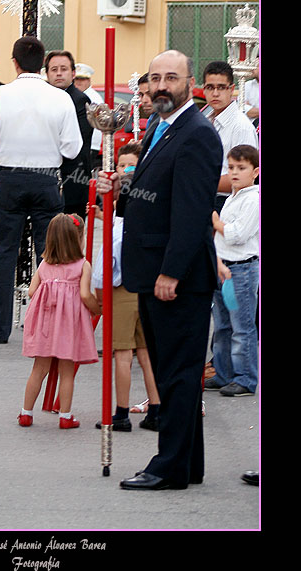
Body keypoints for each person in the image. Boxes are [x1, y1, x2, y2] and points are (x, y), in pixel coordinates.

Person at [98, 49, 223, 491]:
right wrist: (123, 187)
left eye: (171, 77)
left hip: (176, 278)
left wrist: (171, 272)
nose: (161, 85)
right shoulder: (161, 127)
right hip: (155, 270)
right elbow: (160, 194)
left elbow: (191, 212)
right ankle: (188, 463)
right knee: (178, 371)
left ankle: (168, 467)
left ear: (191, 85)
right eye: (154, 78)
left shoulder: (196, 133)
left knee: (177, 373)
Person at [0, 36, 83, 344]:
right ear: (43, 64)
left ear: (13, 63)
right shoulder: (59, 98)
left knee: (4, 254)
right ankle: (47, 326)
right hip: (45, 180)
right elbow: (72, 149)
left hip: (8, 178)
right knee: (50, 254)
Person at [91, 144, 161, 432]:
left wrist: (98, 294)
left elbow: (105, 265)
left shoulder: (118, 226)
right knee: (145, 352)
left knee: (122, 354)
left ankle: (121, 412)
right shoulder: (145, 223)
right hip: (144, 290)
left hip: (121, 291)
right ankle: (156, 408)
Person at [18, 213, 100, 429]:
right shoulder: (83, 265)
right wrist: (96, 308)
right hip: (69, 327)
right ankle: (65, 416)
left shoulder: (45, 264)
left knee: (39, 369)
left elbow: (32, 291)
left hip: (46, 324)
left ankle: (25, 413)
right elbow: (84, 295)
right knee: (66, 371)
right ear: (78, 239)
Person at [205, 144, 259, 397]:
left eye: (241, 168)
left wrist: (217, 223)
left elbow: (238, 234)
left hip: (242, 270)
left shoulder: (253, 200)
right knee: (223, 325)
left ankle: (246, 378)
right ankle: (224, 373)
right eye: (231, 168)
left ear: (255, 172)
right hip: (223, 267)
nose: (235, 173)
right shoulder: (233, 197)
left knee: (242, 326)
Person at [202, 61, 258, 213]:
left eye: (221, 87)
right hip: (204, 197)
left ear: (231, 89)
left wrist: (199, 181)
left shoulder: (241, 126)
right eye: (210, 87)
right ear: (204, 90)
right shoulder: (206, 120)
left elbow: (245, 176)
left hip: (229, 204)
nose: (215, 93)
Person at [45, 50, 93, 214]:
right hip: (46, 179)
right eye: (54, 69)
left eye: (63, 69)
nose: (59, 73)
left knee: (71, 233)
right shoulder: (43, 97)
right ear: (46, 73)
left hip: (73, 178)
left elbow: (78, 139)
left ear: (73, 73)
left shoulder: (80, 100)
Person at [74, 63, 104, 172]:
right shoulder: (82, 95)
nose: (78, 82)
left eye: (82, 79)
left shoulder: (92, 98)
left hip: (90, 143)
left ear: (89, 80)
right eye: (76, 79)